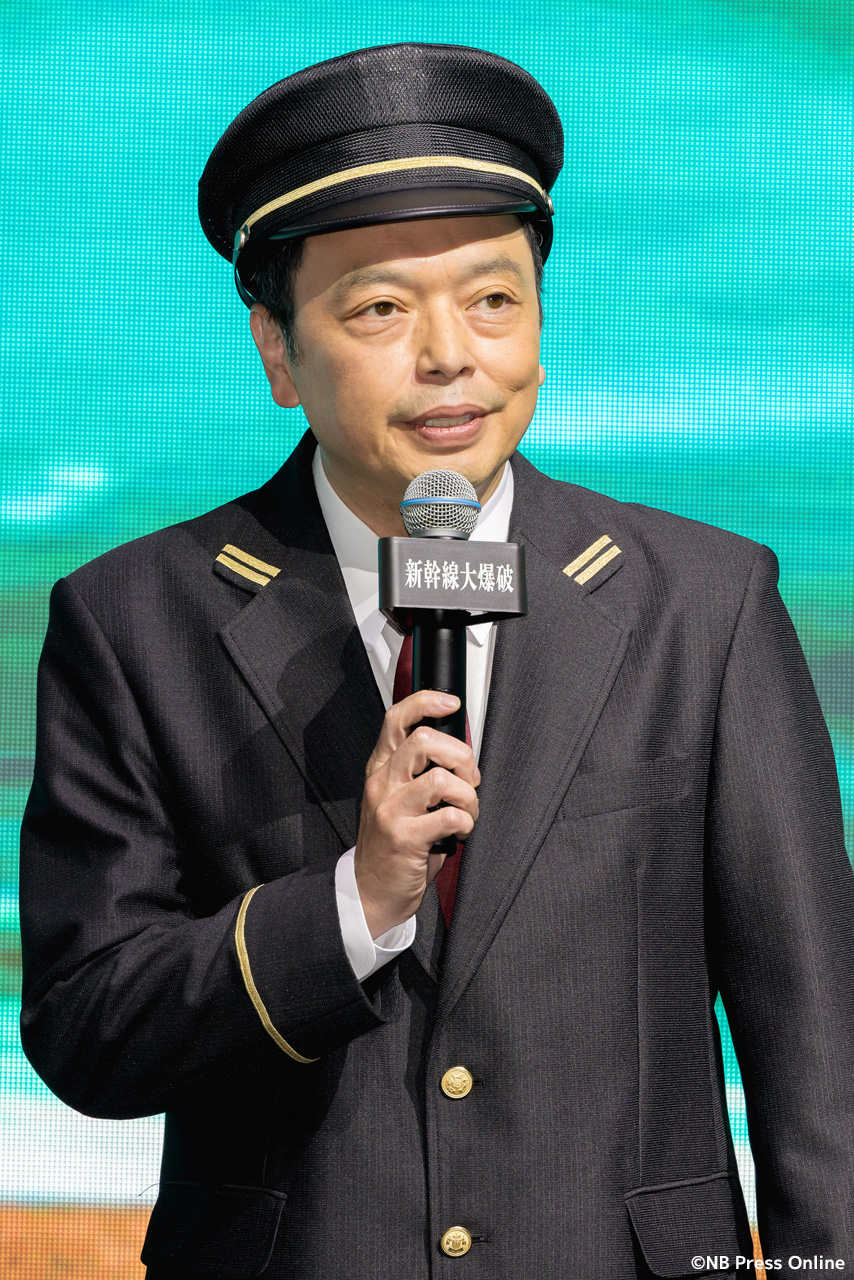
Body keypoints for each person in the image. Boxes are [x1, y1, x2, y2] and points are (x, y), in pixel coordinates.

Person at [18, 42, 854, 1280]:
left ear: (538, 327)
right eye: (379, 309)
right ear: (276, 350)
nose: (449, 353)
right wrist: (353, 904)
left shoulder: (703, 602)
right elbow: (87, 1028)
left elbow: (817, 1044)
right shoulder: (135, 618)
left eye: (492, 298)